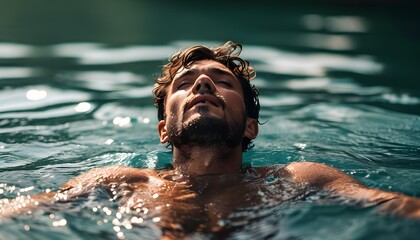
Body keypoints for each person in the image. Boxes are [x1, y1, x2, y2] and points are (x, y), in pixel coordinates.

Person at [1, 41, 419, 238]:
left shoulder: (301, 179)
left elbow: (392, 207)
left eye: (223, 82)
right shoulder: (115, 182)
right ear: (163, 128)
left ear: (250, 126)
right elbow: (21, 212)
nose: (203, 82)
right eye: (186, 83)